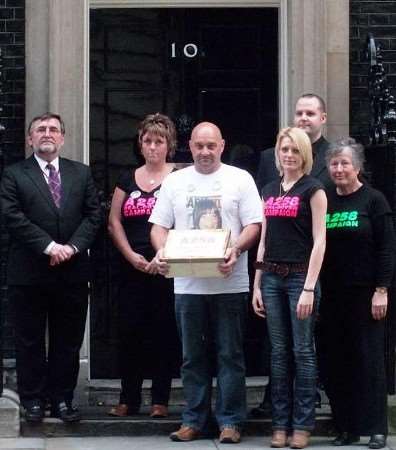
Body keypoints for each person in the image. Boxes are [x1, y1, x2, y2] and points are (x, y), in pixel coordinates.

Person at [149, 122, 262, 444]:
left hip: (230, 283)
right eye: (199, 146)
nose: (205, 152)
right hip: (187, 286)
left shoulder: (240, 179)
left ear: (222, 145)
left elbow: (254, 224)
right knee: (192, 356)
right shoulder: (176, 182)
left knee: (230, 355)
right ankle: (193, 420)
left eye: (211, 145)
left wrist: (237, 249)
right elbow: (158, 226)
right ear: (190, 146)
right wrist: (162, 251)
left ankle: (230, 422)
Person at [0, 113, 101, 423]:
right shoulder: (14, 174)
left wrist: (71, 247)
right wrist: (49, 246)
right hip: (28, 273)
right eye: (40, 130)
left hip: (71, 272)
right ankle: (32, 400)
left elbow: (93, 215)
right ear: (30, 139)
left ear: (62, 137)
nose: (47, 134)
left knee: (67, 341)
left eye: (53, 129)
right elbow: (12, 216)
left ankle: (62, 399)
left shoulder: (80, 174)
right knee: (29, 340)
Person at [253, 93, 331, 418]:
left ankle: (303, 421)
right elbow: (264, 239)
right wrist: (256, 283)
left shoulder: (314, 189)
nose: (288, 154)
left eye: (294, 149)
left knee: (303, 351)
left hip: (301, 277)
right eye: (284, 149)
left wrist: (310, 287)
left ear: (305, 154)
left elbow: (320, 240)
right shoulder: (269, 189)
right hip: (271, 276)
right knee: (279, 352)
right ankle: (280, 422)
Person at [320, 138, 394, 449]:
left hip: (366, 295)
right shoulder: (325, 201)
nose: (339, 169)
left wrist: (381, 289)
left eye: (344, 163)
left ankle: (376, 428)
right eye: (334, 164)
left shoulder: (374, 201)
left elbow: (387, 249)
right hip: (332, 296)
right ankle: (346, 426)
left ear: (358, 167)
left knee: (369, 361)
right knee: (337, 362)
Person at [107, 113, 178, 419]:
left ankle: (160, 399)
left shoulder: (178, 178)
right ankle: (128, 398)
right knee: (130, 332)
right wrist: (129, 255)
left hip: (166, 267)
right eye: (147, 141)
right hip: (132, 268)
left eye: (158, 141)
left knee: (164, 332)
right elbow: (113, 221)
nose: (152, 147)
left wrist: (163, 255)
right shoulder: (127, 178)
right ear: (140, 144)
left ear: (169, 145)